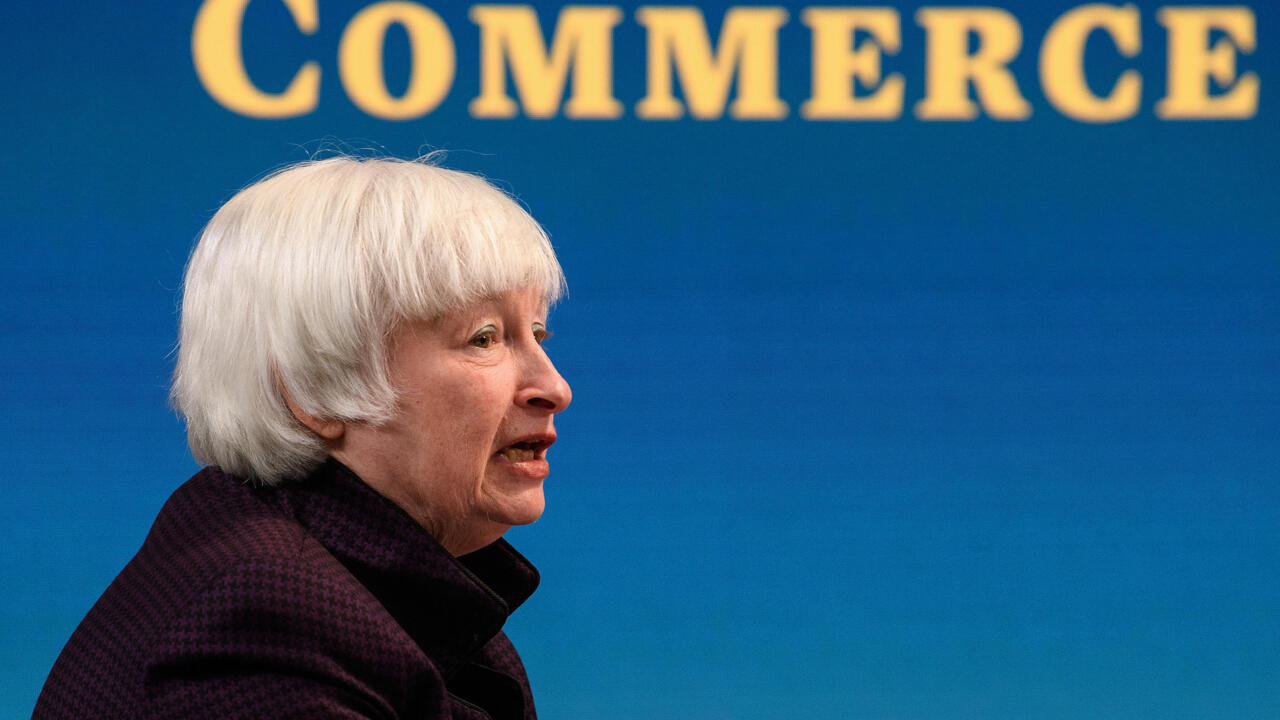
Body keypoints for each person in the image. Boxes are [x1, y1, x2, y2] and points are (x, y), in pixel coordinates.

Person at [32, 156, 572, 720]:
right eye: (484, 338)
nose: (554, 387)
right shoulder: (263, 624)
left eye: (538, 333)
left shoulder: (399, 602)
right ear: (316, 390)